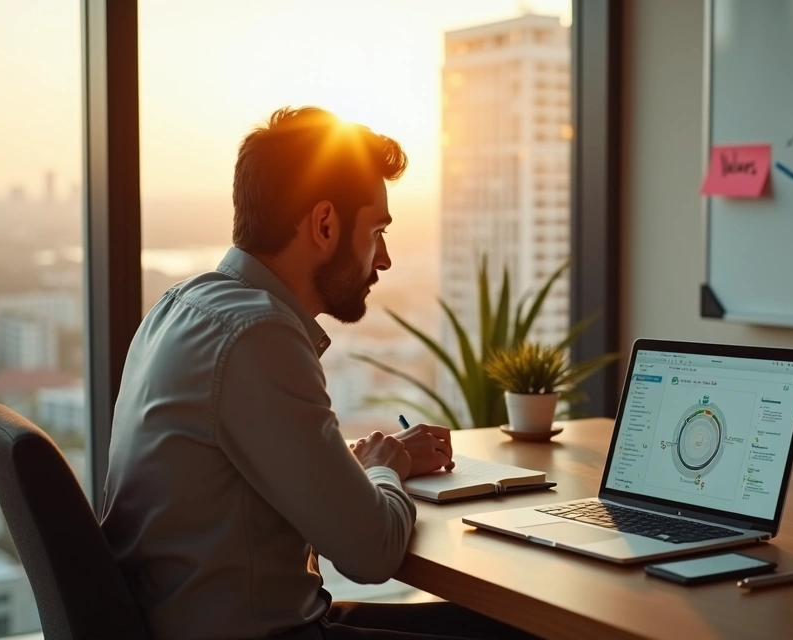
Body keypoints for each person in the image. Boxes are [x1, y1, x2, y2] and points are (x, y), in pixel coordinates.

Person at [100, 107, 533, 640]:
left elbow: (243, 476)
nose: (386, 259)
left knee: (500, 624)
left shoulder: (179, 306)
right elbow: (371, 554)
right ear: (325, 224)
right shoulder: (257, 336)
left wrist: (372, 464)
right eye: (377, 231)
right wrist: (385, 471)